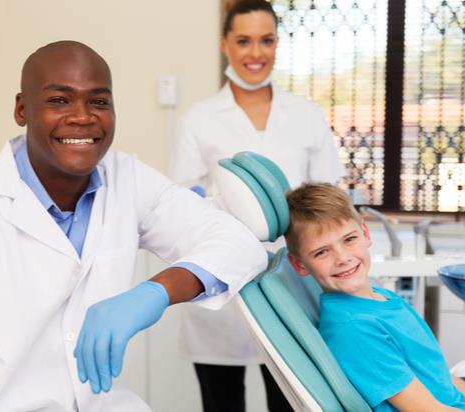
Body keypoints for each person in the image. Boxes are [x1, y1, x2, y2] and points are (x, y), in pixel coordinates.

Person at [0, 41, 268, 412]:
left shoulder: (128, 179)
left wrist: (156, 291)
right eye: (59, 100)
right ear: (22, 109)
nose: (83, 116)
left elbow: (237, 241)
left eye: (99, 102)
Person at [168, 0, 344, 410]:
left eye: (266, 40)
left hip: (292, 282)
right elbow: (180, 203)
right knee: (222, 403)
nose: (255, 53)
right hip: (221, 286)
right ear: (224, 44)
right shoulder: (200, 118)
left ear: (277, 44)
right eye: (244, 40)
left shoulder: (305, 115)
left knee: (291, 402)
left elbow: (328, 199)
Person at [285, 182, 465, 412]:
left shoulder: (383, 298)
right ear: (300, 265)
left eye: (349, 239)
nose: (342, 258)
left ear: (365, 233)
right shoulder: (355, 329)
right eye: (322, 252)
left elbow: (442, 379)